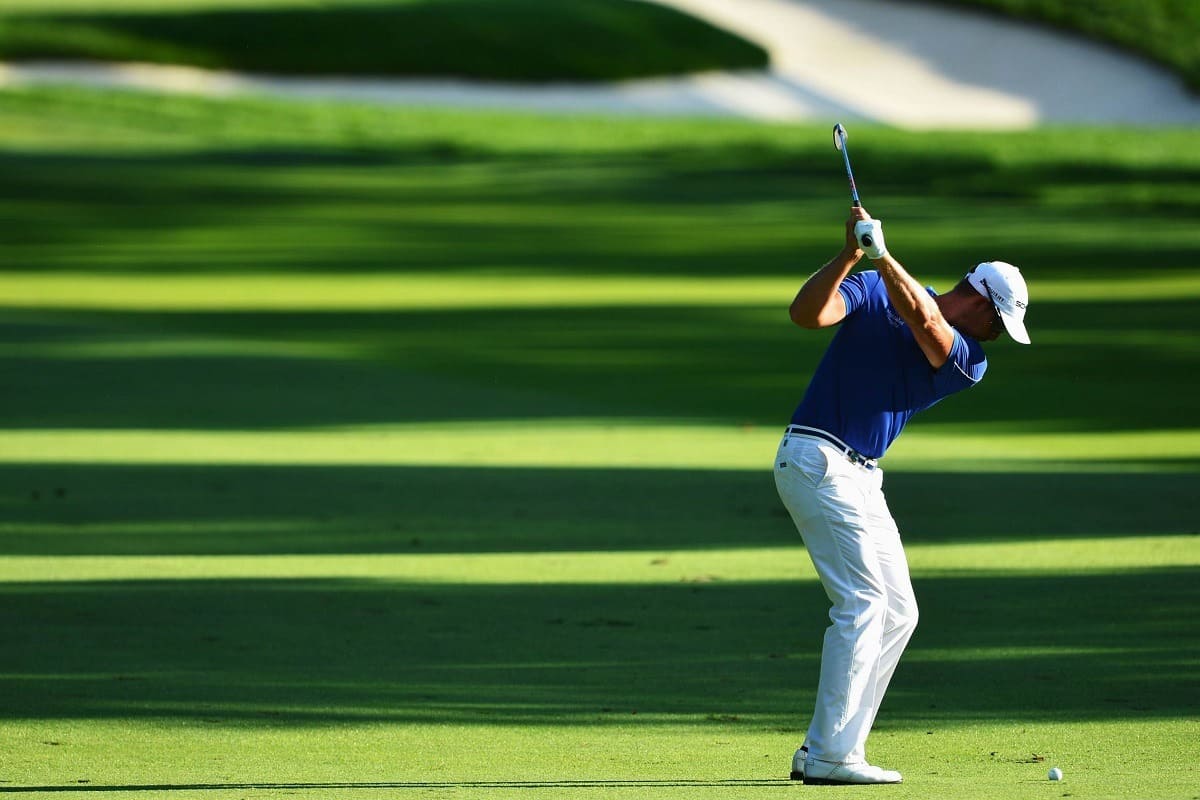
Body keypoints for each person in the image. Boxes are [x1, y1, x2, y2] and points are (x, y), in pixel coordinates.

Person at [775, 206, 1030, 785]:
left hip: (861, 477)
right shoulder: (871, 287)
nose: (998, 336)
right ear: (982, 303)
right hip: (817, 457)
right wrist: (850, 255)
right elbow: (806, 314)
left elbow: (928, 322)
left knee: (900, 612)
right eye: (1000, 322)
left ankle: (831, 746)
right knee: (864, 604)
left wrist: (883, 256)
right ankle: (831, 757)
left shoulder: (969, 359)